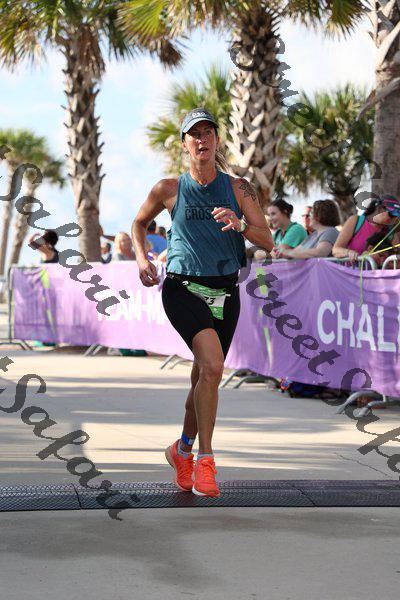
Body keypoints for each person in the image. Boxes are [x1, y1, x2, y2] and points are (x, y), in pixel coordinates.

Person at [132, 107, 273, 498]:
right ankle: (205, 462)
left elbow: (267, 240)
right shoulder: (168, 188)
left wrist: (241, 225)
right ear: (185, 144)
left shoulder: (239, 189)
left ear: (216, 140)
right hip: (183, 287)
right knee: (213, 366)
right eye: (194, 134)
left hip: (225, 291)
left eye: (208, 132)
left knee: (203, 378)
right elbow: (139, 223)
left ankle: (181, 450)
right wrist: (142, 257)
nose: (202, 139)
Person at [333, 195, 400, 262]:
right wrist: (350, 253)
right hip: (351, 268)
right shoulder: (356, 221)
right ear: (379, 209)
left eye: (397, 215)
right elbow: (336, 250)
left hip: (374, 269)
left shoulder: (391, 232)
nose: (394, 218)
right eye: (392, 215)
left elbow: (396, 259)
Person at [273, 200, 340, 259]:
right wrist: (281, 252)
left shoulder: (331, 231)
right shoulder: (314, 235)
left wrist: (288, 253)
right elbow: (295, 251)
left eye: (311, 213)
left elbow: (321, 252)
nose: (309, 217)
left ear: (321, 214)